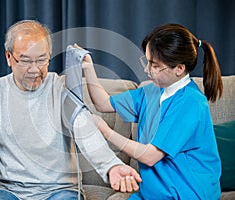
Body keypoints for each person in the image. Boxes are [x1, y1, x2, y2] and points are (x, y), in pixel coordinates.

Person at [0, 20, 142, 200]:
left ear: (50, 55)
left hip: (61, 191)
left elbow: (85, 130)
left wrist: (111, 165)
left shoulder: (62, 88)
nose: (35, 69)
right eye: (26, 60)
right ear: (8, 57)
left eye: (42, 60)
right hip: (11, 191)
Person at [81, 23, 223, 199]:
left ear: (179, 68)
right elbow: (103, 103)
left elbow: (149, 156)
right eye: (147, 61)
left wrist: (105, 131)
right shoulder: (151, 91)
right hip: (153, 193)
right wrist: (88, 68)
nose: (147, 70)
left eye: (155, 65)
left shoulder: (191, 103)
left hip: (187, 193)